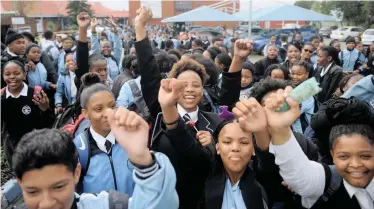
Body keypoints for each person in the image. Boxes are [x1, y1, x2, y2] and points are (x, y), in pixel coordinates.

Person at [133, 7, 222, 208]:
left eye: (196, 85)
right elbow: (148, 71)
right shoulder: (161, 112)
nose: (189, 90)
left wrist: (213, 144)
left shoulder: (215, 122)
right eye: (183, 85)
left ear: (203, 89)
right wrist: (140, 27)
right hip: (165, 200)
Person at [13, 108, 179, 209]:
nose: (47, 203)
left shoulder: (109, 205)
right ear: (19, 183)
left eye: (58, 187)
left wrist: (142, 158)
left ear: (76, 173)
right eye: (33, 191)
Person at [266, 93, 374, 209]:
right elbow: (301, 174)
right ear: (333, 153)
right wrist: (279, 128)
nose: (356, 164)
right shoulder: (324, 178)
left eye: (365, 156)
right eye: (344, 156)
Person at [75, 79, 135, 195]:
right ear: (85, 113)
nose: (108, 113)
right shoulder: (79, 149)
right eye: (98, 109)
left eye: (112, 106)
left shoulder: (129, 139)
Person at [1, 60, 54, 167]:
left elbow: (50, 122)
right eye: (7, 74)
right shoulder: (2, 96)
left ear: (25, 74)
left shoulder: (35, 93)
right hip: (13, 147)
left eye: (16, 73)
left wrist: (45, 108)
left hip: (37, 144)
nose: (12, 77)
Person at [290, 61, 315, 134]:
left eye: (299, 74)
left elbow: (293, 114)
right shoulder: (294, 89)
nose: (295, 77)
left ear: (307, 74)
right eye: (293, 73)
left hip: (302, 134)